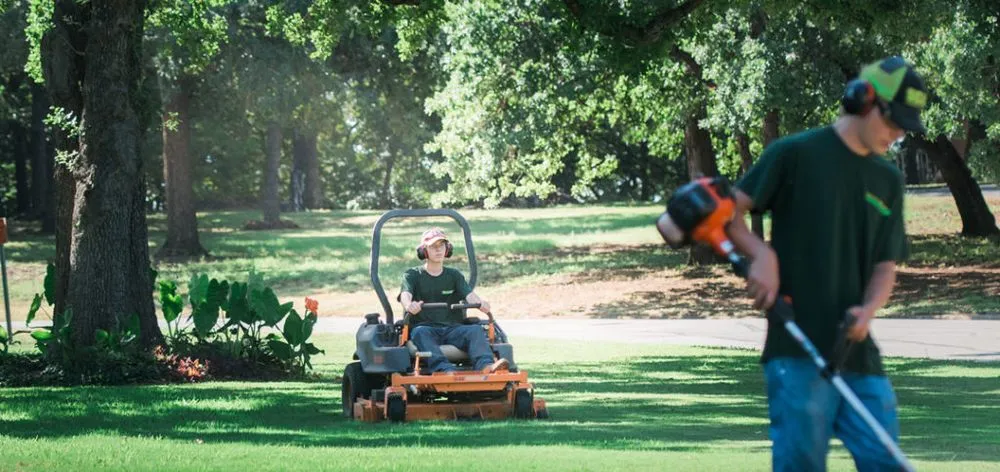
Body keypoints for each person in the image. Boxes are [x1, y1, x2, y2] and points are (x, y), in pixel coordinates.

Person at [726, 56, 927, 471]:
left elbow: (885, 266)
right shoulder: (793, 154)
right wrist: (761, 254)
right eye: (894, 120)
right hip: (795, 348)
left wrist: (868, 311)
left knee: (886, 461)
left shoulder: (887, 180)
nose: (899, 132)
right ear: (861, 100)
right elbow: (727, 213)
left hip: (857, 354)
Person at [399, 227, 508, 374]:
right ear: (424, 251)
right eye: (433, 247)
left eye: (441, 246)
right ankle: (444, 369)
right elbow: (406, 294)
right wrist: (409, 305)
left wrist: (481, 303)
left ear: (447, 249)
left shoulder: (454, 275)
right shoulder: (412, 275)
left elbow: (469, 295)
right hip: (426, 328)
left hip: (453, 329)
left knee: (475, 330)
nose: (438, 250)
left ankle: (486, 366)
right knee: (419, 332)